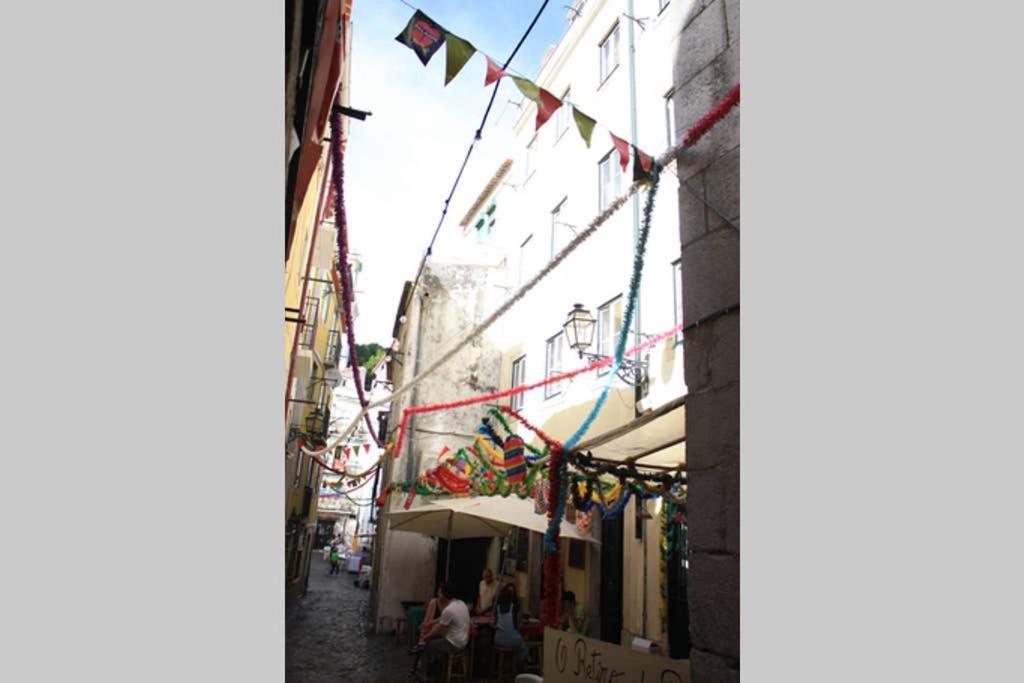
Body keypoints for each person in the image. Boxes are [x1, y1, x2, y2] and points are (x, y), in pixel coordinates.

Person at [414, 582, 470, 682]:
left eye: (440, 593)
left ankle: (424, 675)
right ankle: (436, 669)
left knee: (427, 645)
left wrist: (425, 637)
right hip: (463, 641)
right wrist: (429, 623)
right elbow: (443, 618)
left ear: (444, 595)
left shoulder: (449, 609)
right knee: (435, 641)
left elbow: (438, 629)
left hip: (454, 643)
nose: (438, 595)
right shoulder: (461, 603)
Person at [493, 583, 529, 665]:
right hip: (512, 640)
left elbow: (495, 623)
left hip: (498, 640)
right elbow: (517, 626)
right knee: (524, 645)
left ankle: (509, 665)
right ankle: (521, 664)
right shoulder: (514, 608)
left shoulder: (497, 608)